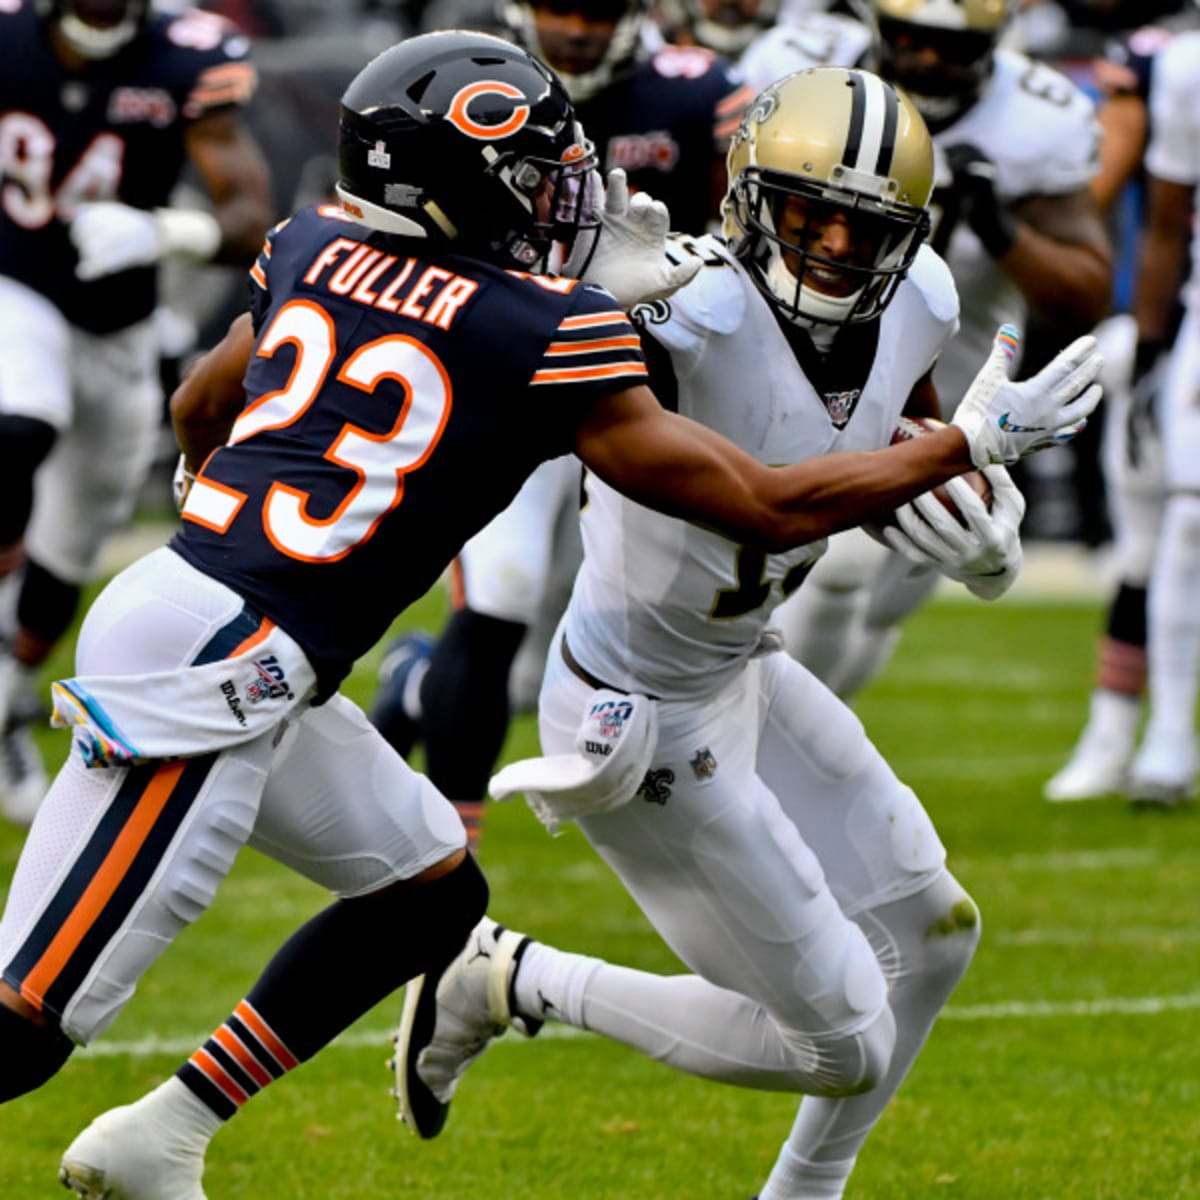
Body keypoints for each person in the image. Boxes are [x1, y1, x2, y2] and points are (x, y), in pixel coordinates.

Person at [0, 36, 1098, 1200]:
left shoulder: (311, 242)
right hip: (222, 666)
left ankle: (163, 1135)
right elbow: (769, 505)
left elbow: (198, 399)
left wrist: (206, 502)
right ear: (459, 187)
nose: (567, 193)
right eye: (534, 174)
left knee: (429, 891)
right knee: (27, 1023)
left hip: (227, 626)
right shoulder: (547, 327)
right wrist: (967, 447)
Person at [390, 67, 1102, 1200]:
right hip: (635, 713)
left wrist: (980, 527)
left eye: (861, 229)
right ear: (748, 196)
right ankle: (509, 979)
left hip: (740, 668)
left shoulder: (916, 297)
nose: (829, 248)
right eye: (808, 213)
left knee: (937, 938)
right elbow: (779, 496)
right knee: (842, 1040)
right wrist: (573, 295)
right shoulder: (682, 315)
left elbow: (902, 436)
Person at [370, 0, 756, 848]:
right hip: (518, 375)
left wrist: (677, 270)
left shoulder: (696, 91)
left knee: (558, 653)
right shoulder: (471, 78)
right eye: (558, 5)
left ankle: (411, 686)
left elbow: (744, 246)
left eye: (595, 7)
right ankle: (447, 854)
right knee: (499, 596)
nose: (577, 26)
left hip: (638, 387)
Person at [739, 0, 1113, 700]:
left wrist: (1001, 228)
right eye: (909, 38)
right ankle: (764, 737)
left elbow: (1084, 293)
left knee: (886, 604)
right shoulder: (801, 68)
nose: (927, 59)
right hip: (797, 348)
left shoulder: (1036, 120)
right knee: (831, 564)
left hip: (951, 374)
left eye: (950, 45)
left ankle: (801, 729)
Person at [0, 0, 273, 826]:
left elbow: (249, 215)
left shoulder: (184, 55)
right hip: (16, 288)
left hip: (120, 329)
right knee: (19, 422)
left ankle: (8, 706)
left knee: (73, 544)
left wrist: (167, 232)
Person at [1042, 10, 1199, 801]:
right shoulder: (1169, 64)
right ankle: (1129, 734)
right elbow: (1137, 205)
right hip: (1176, 321)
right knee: (1164, 530)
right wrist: (1152, 336)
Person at [1121, 27, 1200, 806]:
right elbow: (1168, 218)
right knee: (1188, 516)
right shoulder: (1187, 66)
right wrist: (1151, 341)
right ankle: (1169, 735)